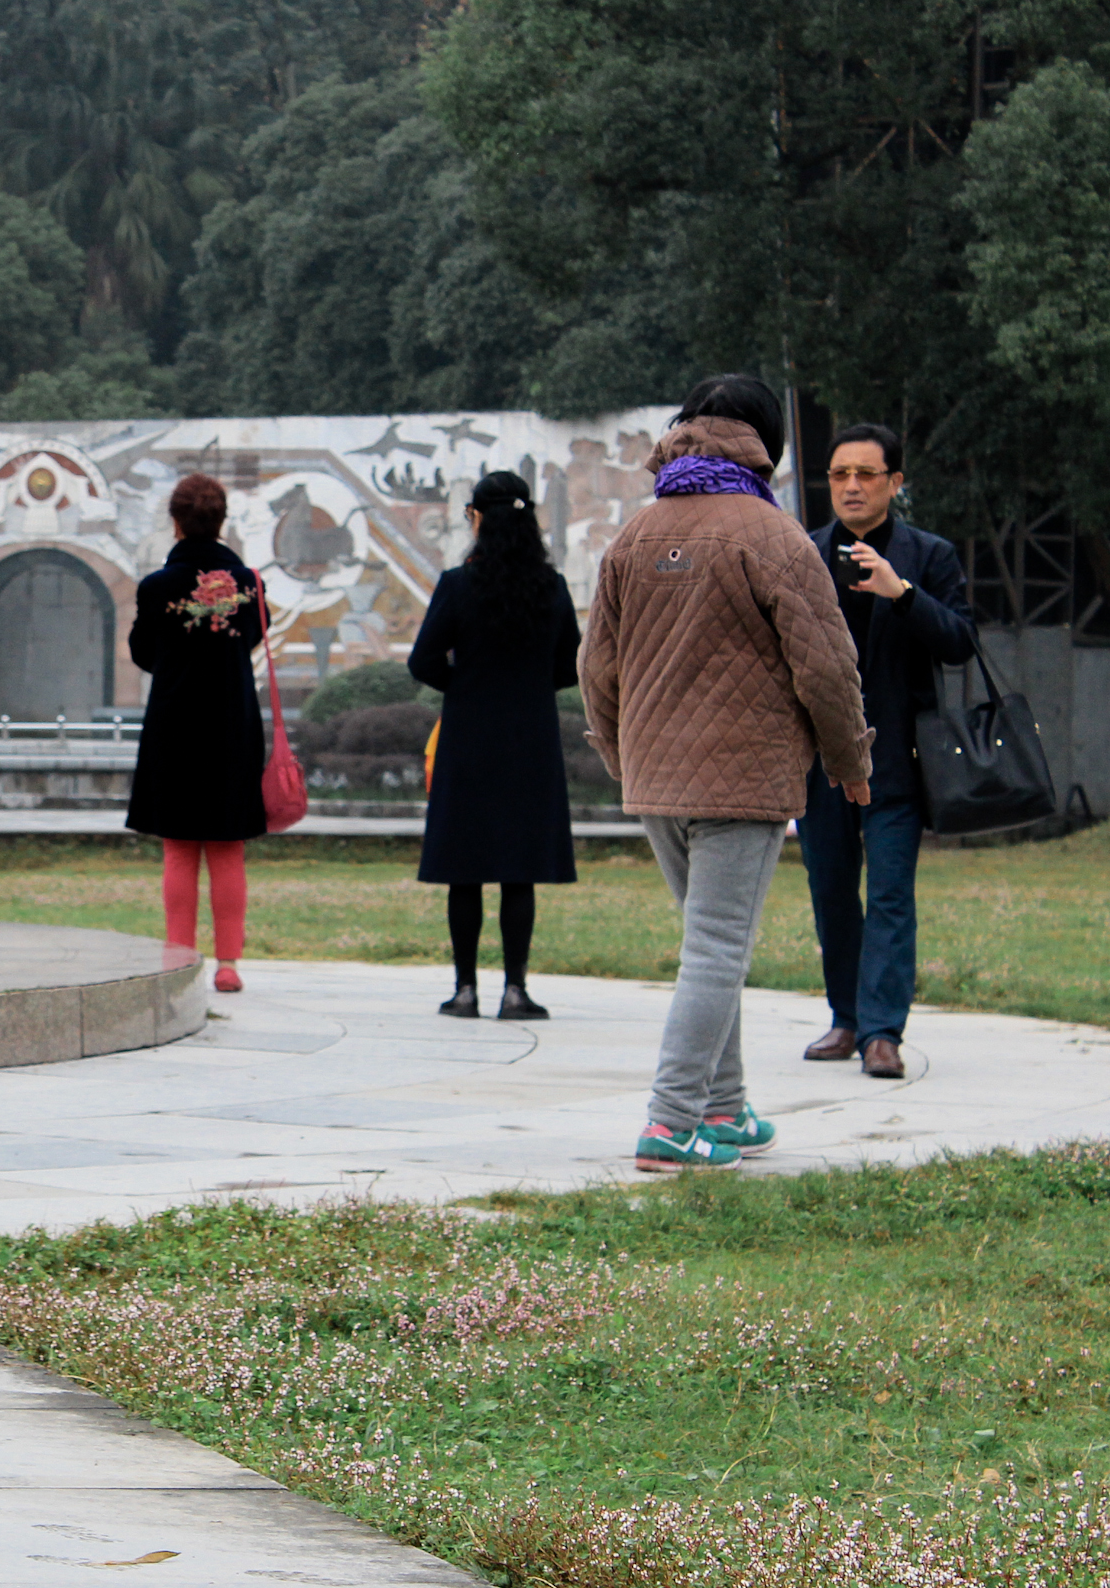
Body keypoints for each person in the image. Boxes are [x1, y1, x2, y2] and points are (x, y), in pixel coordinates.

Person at [580, 374, 873, 1174]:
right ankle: (672, 1122)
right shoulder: (772, 535)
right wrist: (851, 762)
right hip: (742, 775)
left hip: (655, 778)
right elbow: (826, 665)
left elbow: (595, 668)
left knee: (713, 942)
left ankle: (723, 1104)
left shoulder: (634, 534)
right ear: (766, 445)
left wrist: (620, 753)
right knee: (717, 948)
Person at [797, 423, 974, 1080]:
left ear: (895, 483)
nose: (849, 486)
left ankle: (881, 1032)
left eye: (866, 474)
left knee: (893, 894)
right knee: (832, 891)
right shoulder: (804, 554)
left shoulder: (929, 555)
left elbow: (959, 640)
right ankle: (845, 1018)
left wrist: (903, 595)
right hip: (820, 759)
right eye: (839, 473)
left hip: (898, 756)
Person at [409, 470, 581, 1020]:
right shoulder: (550, 588)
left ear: (477, 519)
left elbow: (422, 661)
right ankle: (515, 990)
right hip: (530, 738)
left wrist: (464, 686)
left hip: (469, 738)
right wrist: (528, 688)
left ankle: (464, 990)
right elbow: (569, 661)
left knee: (466, 866)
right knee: (518, 867)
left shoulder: (458, 585)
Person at [126, 472, 265, 994]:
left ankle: (178, 959)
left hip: (175, 725)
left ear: (176, 520)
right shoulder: (248, 583)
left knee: (180, 847)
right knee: (227, 847)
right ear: (222, 520)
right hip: (232, 722)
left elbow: (144, 654)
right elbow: (253, 637)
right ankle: (229, 963)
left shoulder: (158, 587)